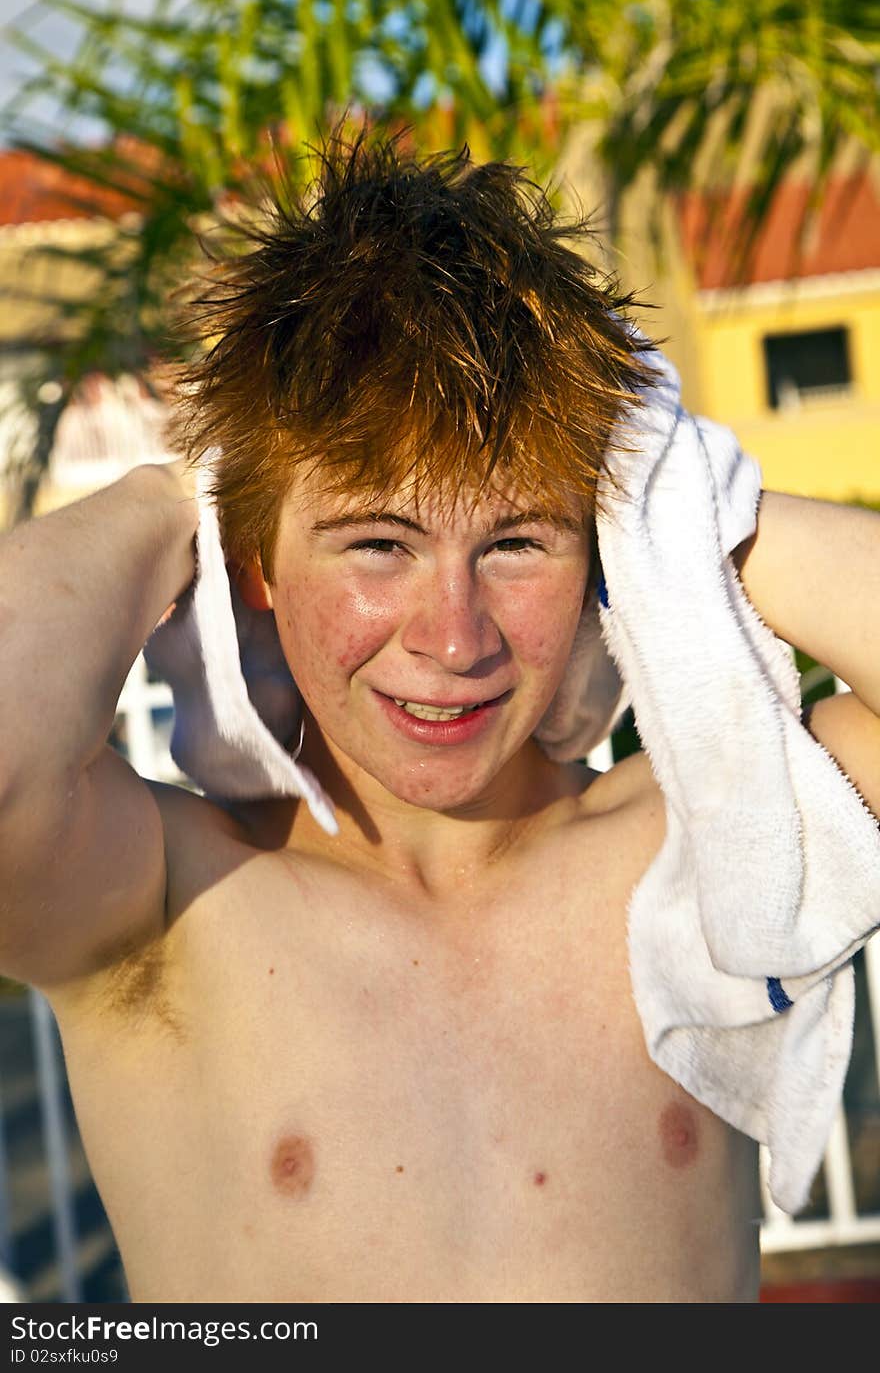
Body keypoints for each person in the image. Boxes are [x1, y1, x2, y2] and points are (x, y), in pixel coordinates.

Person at [1, 128, 878, 1305]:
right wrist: (178, 496)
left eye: (516, 542)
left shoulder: (694, 849)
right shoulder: (170, 901)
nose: (453, 639)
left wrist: (697, 515)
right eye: (378, 543)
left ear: (609, 551)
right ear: (252, 559)